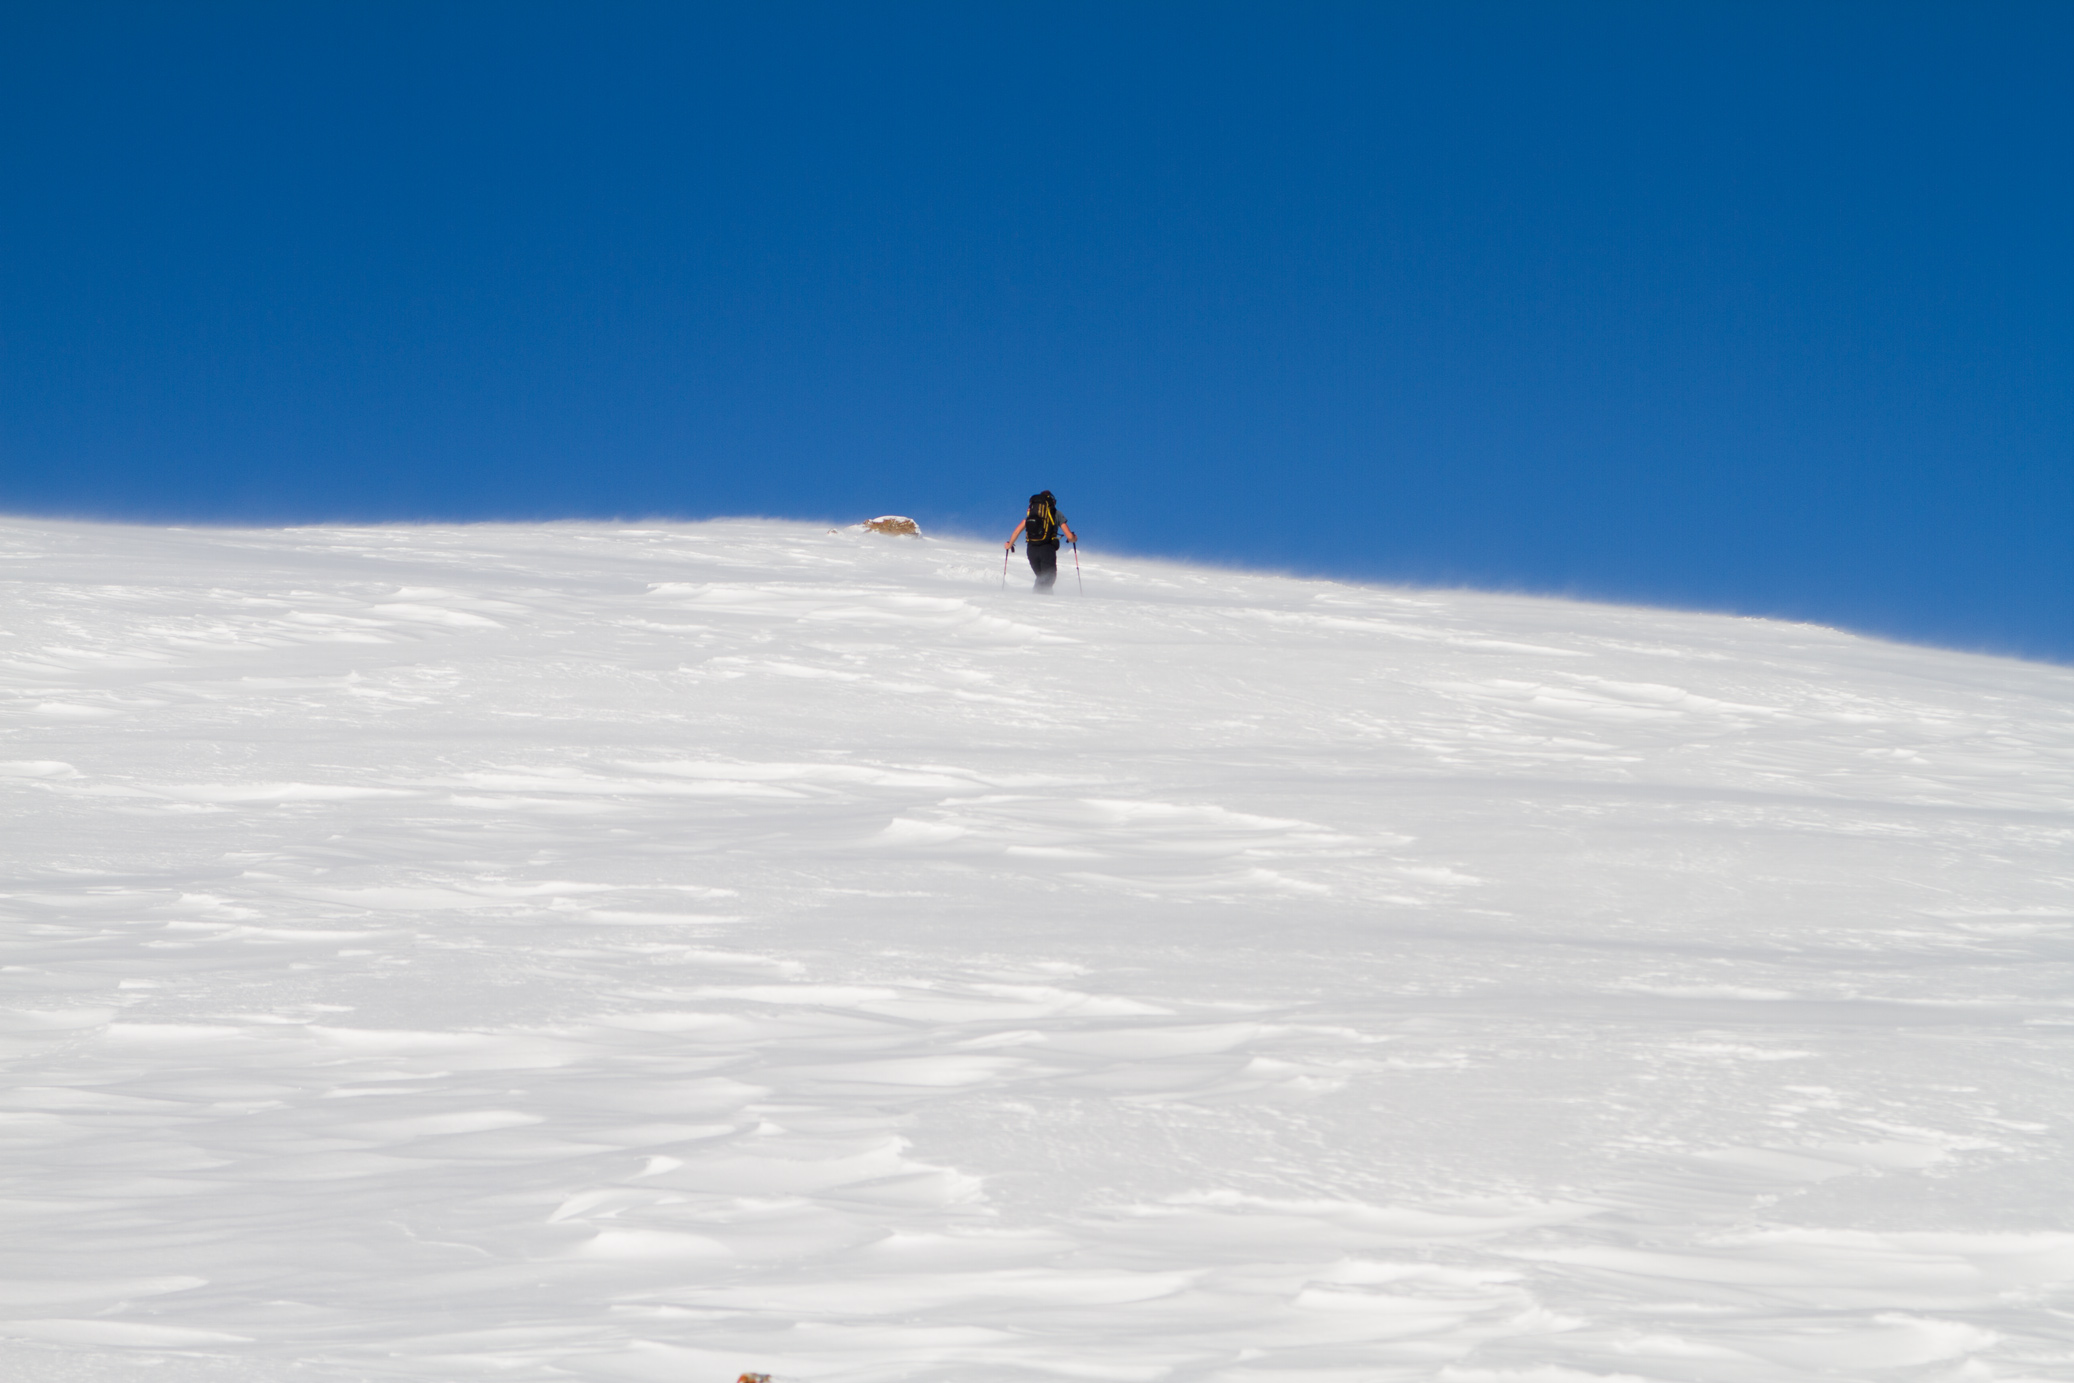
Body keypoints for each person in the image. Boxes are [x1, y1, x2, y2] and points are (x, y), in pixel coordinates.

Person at [1004, 491, 1076, 592]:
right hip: (1047, 549)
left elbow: (1016, 532)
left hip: (1031, 550)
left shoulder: (1032, 514)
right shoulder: (1056, 513)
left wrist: (1009, 545)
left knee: (1041, 578)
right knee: (1048, 580)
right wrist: (1074, 538)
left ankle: (1036, 598)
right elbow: (1069, 536)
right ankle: (1040, 599)